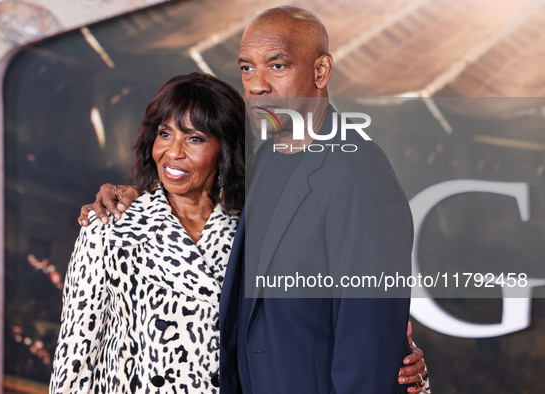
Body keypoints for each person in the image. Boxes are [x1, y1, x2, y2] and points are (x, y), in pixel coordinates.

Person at [79, 6, 430, 394]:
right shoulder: (266, 156)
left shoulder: (357, 177)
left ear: (320, 71)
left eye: (276, 66)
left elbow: (368, 347)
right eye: (247, 68)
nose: (257, 85)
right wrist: (137, 195)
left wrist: (402, 366)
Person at [50, 72, 245, 393]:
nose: (173, 152)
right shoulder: (109, 224)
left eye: (194, 138)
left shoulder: (245, 232)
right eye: (165, 134)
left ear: (224, 149)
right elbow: (76, 351)